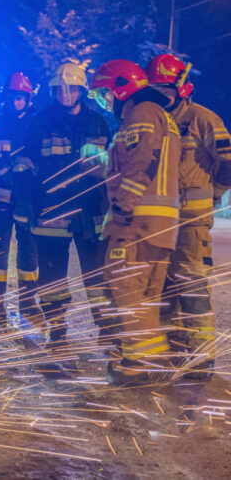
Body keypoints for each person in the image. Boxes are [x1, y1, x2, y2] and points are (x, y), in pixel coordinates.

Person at [89, 59, 181, 383]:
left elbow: (142, 162)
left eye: (104, 95)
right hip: (160, 224)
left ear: (120, 87)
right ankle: (152, 360)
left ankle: (137, 365)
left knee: (125, 288)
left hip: (137, 222)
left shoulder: (141, 115)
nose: (104, 103)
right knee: (147, 297)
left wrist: (123, 207)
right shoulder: (164, 117)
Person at [12, 63, 111, 349]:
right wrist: (28, 206)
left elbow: (112, 165)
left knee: (98, 278)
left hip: (92, 213)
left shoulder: (98, 123)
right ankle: (57, 333)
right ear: (54, 91)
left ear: (82, 90)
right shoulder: (40, 123)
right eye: (60, 89)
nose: (65, 94)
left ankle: (108, 330)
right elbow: (24, 167)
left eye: (71, 89)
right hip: (52, 214)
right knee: (53, 279)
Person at [145, 54, 231, 379]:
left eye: (166, 91)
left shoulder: (203, 119)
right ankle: (170, 351)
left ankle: (200, 360)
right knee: (162, 289)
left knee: (192, 287)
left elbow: (228, 161)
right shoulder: (152, 120)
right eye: (155, 91)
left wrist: (214, 192)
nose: (161, 98)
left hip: (191, 222)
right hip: (159, 221)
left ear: (182, 87)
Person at [0, 72, 38, 324]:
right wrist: (3, 170)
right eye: (11, 97)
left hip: (28, 198)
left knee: (29, 249)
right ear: (4, 98)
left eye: (20, 98)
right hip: (2, 198)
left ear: (28, 99)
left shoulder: (37, 122)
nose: (15, 102)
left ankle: (28, 303)